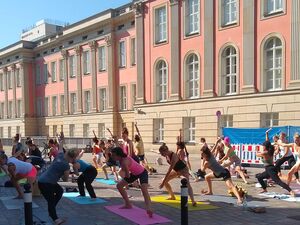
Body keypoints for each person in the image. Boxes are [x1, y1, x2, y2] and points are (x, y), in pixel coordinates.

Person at [38, 148, 78, 225]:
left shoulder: (60, 155)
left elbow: (60, 147)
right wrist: (70, 172)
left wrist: (61, 139)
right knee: (51, 200)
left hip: (45, 180)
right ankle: (55, 219)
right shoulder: (66, 165)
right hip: (46, 183)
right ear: (72, 158)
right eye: (75, 158)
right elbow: (65, 179)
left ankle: (52, 209)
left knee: (59, 191)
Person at [111, 147, 153, 217]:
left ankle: (149, 208)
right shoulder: (121, 159)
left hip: (142, 172)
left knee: (144, 189)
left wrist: (133, 182)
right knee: (119, 186)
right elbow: (128, 175)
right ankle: (128, 204)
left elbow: (127, 176)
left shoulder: (124, 162)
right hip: (134, 174)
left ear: (119, 155)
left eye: (113, 155)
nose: (112, 156)